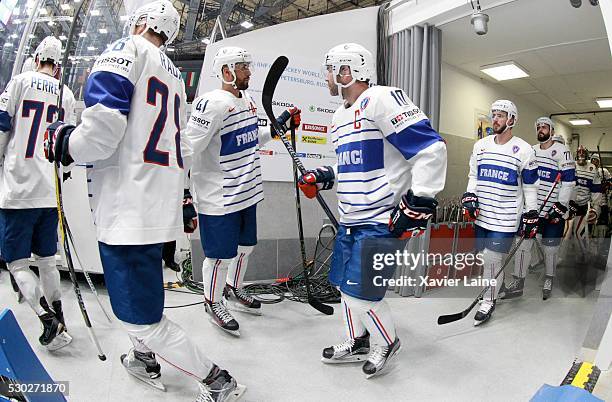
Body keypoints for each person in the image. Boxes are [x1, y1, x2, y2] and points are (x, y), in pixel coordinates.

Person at [44, 2, 244, 400]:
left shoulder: (127, 50)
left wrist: (66, 141)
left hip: (128, 209)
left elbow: (101, 131)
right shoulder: (172, 74)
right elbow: (179, 145)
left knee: (140, 316)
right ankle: (144, 359)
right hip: (155, 208)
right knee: (141, 295)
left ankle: (216, 380)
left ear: (142, 21)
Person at [298, 43, 446, 378]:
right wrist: (323, 176)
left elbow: (430, 148)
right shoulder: (339, 116)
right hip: (350, 219)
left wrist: (420, 200)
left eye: (330, 70)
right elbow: (350, 165)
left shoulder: (382, 98)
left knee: (363, 294)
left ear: (345, 71)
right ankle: (357, 340)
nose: (327, 77)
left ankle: (387, 342)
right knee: (343, 286)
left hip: (380, 221)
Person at [185, 46, 300, 336]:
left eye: (247, 65)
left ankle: (233, 288)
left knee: (245, 247)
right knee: (220, 256)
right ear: (227, 71)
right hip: (220, 197)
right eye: (243, 66)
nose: (249, 71)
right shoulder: (210, 104)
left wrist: (277, 128)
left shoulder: (247, 99)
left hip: (247, 191)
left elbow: (251, 139)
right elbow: (186, 151)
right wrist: (184, 196)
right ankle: (212, 302)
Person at [0, 35, 76, 351]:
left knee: (17, 263)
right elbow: (66, 146)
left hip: (18, 188)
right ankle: (60, 317)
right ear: (57, 68)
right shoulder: (66, 95)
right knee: (47, 259)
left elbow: (3, 125)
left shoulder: (19, 81)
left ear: (36, 59)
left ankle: (46, 319)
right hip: (49, 192)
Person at [462, 100, 539, 325]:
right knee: (485, 259)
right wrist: (469, 196)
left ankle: (489, 300)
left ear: (512, 119)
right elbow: (473, 175)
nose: (495, 119)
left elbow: (530, 186)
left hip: (505, 218)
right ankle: (497, 286)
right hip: (482, 215)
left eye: (501, 115)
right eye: (493, 115)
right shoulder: (481, 145)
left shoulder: (524, 149)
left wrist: (531, 212)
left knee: (492, 259)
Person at [501, 117, 575, 300]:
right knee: (523, 245)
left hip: (552, 212)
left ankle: (549, 277)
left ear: (552, 130)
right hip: (532, 210)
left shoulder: (562, 151)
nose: (541, 129)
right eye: (539, 127)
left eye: (545, 127)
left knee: (550, 248)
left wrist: (560, 206)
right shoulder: (530, 150)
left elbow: (568, 181)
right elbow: (524, 178)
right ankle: (518, 281)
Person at [569, 146, 602, 260]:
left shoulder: (593, 169)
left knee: (579, 234)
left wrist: (595, 209)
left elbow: (596, 192)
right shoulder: (570, 166)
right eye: (579, 154)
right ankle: (556, 259)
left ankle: (583, 256)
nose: (581, 156)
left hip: (583, 206)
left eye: (583, 154)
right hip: (568, 205)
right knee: (565, 234)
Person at [590, 154, 609, 238]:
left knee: (602, 224)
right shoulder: (588, 170)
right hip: (591, 201)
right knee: (590, 222)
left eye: (596, 160)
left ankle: (601, 243)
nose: (594, 162)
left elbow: (610, 183)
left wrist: (607, 184)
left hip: (603, 201)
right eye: (592, 160)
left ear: (599, 162)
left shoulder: (604, 171)